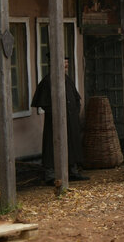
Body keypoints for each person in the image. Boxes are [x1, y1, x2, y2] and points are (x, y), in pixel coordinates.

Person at [32, 56, 87, 184]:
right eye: (64, 63)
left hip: (71, 120)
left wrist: (74, 111)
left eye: (67, 63)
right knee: (52, 146)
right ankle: (50, 175)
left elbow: (76, 98)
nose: (66, 65)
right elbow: (44, 103)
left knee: (72, 144)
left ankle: (73, 171)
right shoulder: (48, 81)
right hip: (55, 122)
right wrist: (57, 114)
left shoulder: (67, 80)